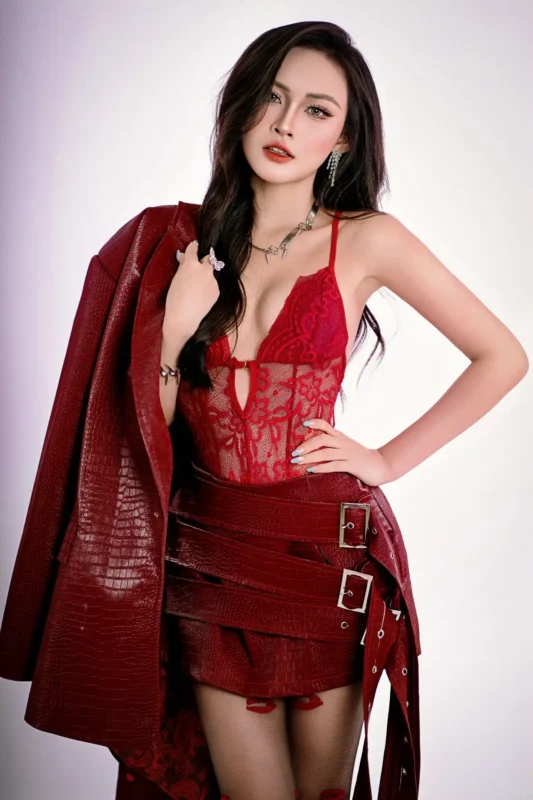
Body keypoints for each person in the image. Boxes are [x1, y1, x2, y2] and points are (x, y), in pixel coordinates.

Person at [0, 20, 528, 800]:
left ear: (342, 139)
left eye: (316, 110)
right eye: (272, 99)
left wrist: (385, 460)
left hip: (323, 562)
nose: (284, 124)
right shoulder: (174, 242)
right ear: (240, 107)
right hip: (210, 557)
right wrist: (174, 330)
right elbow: (144, 426)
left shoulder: (368, 240)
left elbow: (503, 356)